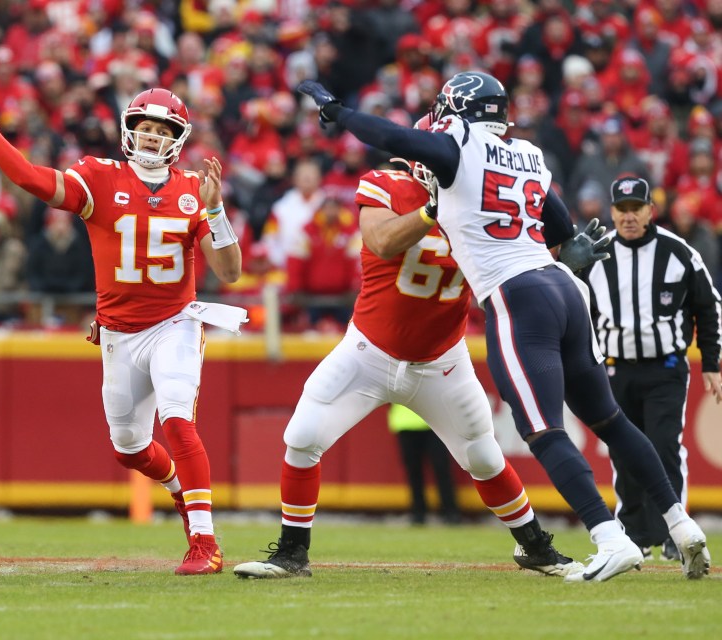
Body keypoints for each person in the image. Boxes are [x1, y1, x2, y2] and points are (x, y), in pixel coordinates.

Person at [297, 71, 711, 581]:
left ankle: (609, 537)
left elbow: (397, 138)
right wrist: (569, 247)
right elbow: (559, 228)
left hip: (518, 298)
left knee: (541, 429)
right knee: (612, 421)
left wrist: (340, 114)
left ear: (457, 111)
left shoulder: (460, 146)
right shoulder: (529, 154)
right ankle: (682, 525)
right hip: (560, 287)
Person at [234, 161, 580, 579]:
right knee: (303, 437)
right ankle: (292, 552)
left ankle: (536, 548)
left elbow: (523, 267)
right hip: (368, 351)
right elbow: (380, 240)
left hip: (442, 361)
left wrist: (562, 258)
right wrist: (430, 211)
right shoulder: (388, 187)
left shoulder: (487, 208)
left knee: (484, 457)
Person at [0, 87, 243, 575]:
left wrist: (215, 212)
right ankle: (179, 492)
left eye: (162, 130)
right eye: (145, 128)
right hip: (119, 333)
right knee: (129, 447)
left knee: (176, 419)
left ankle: (205, 541)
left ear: (178, 138)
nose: (151, 137)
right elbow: (28, 178)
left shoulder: (195, 189)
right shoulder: (100, 178)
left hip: (175, 322)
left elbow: (231, 272)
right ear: (129, 130)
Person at [583, 176, 722, 563]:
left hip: (666, 368)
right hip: (614, 368)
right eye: (622, 209)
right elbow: (576, 308)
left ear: (650, 211)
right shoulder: (596, 253)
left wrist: (711, 362)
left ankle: (674, 533)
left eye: (636, 209)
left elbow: (708, 306)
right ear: (612, 212)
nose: (629, 216)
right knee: (624, 451)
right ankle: (635, 534)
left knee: (663, 446)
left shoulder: (679, 252)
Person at [388, 404, 461, 525]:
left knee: (441, 468)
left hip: (433, 423)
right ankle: (418, 513)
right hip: (407, 423)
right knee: (414, 471)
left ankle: (450, 511)